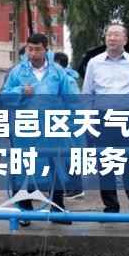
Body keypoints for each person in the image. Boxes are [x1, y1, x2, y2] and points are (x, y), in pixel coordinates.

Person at [0, 33, 77, 226]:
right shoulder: (17, 72)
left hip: (53, 128)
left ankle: (57, 209)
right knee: (23, 169)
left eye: (37, 49)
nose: (33, 53)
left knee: (56, 167)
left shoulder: (58, 72)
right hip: (25, 129)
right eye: (30, 49)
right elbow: (3, 98)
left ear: (45, 50)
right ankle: (24, 211)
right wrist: (19, 91)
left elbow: (71, 99)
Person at [82, 23, 129, 221]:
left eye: (117, 35)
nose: (112, 38)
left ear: (125, 40)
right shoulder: (94, 63)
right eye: (109, 35)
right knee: (106, 164)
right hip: (103, 119)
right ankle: (110, 207)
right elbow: (87, 93)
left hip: (128, 118)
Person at [54, 51, 85, 200]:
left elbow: (73, 102)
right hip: (65, 122)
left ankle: (76, 188)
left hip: (69, 123)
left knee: (70, 155)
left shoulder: (67, 80)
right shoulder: (65, 78)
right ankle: (70, 187)